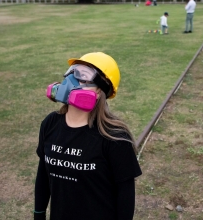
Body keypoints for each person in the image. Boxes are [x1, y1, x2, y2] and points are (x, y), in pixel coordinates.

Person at [35, 52, 142, 220]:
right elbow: (43, 173)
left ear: (99, 91)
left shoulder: (115, 137)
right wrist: (39, 213)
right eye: (71, 72)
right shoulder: (50, 124)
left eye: (82, 76)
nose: (70, 80)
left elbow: (125, 194)